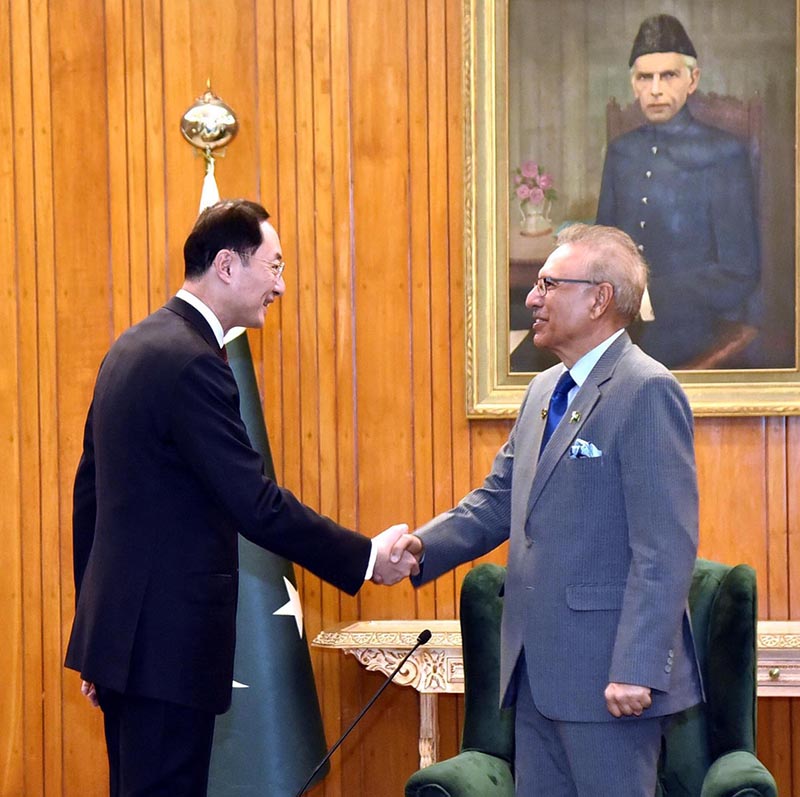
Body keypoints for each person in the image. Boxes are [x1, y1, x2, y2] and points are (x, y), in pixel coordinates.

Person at [65, 199, 419, 796]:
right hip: (168, 653)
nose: (280, 285)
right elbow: (254, 503)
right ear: (227, 265)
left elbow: (89, 501)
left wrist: (102, 641)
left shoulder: (131, 348)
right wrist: (364, 557)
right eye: (274, 267)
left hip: (131, 650)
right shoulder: (192, 363)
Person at [393, 224, 703, 796]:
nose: (532, 298)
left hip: (608, 679)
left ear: (599, 298)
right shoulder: (542, 391)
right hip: (535, 672)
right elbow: (499, 499)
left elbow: (665, 546)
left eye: (548, 284)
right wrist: (421, 547)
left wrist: (636, 666)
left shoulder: (646, 390)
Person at [596, 13, 759, 369]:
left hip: (688, 329)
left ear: (692, 80)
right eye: (645, 77)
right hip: (611, 325)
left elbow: (740, 271)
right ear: (633, 85)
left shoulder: (724, 153)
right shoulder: (621, 151)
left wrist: (651, 297)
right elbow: (602, 245)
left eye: (668, 75)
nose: (656, 89)